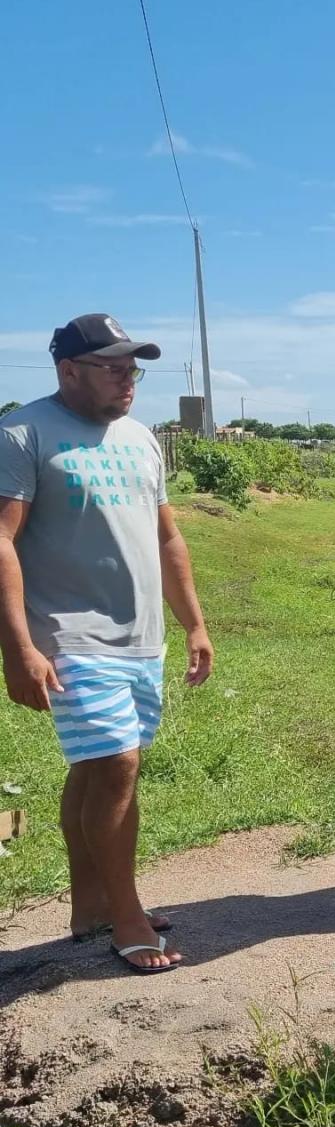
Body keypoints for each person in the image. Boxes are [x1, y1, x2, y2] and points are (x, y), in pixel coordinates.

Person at [0, 314, 213, 975]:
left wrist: (194, 623)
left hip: (139, 637)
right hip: (68, 632)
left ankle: (88, 905)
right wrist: (18, 647)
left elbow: (167, 537)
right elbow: (2, 539)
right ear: (69, 371)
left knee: (96, 767)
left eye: (133, 369)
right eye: (113, 368)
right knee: (118, 764)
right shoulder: (22, 433)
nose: (128, 381)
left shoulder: (141, 438)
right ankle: (126, 916)